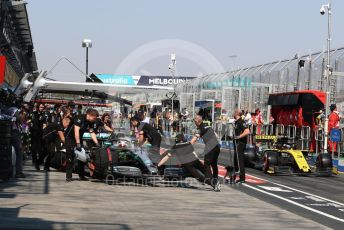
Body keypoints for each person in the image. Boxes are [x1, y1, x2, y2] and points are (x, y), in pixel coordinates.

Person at [190, 115, 221, 192]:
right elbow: (216, 135)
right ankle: (216, 179)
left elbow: (195, 138)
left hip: (210, 147)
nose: (194, 123)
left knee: (206, 165)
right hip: (217, 146)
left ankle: (213, 182)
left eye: (195, 121)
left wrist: (188, 145)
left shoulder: (201, 127)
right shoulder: (208, 125)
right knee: (214, 164)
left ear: (197, 121)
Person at [226, 109, 250, 184]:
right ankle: (234, 176)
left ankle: (242, 178)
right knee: (236, 161)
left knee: (239, 161)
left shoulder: (241, 122)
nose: (233, 113)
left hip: (240, 144)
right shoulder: (236, 122)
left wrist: (239, 137)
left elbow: (247, 131)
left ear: (236, 113)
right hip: (236, 143)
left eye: (234, 112)